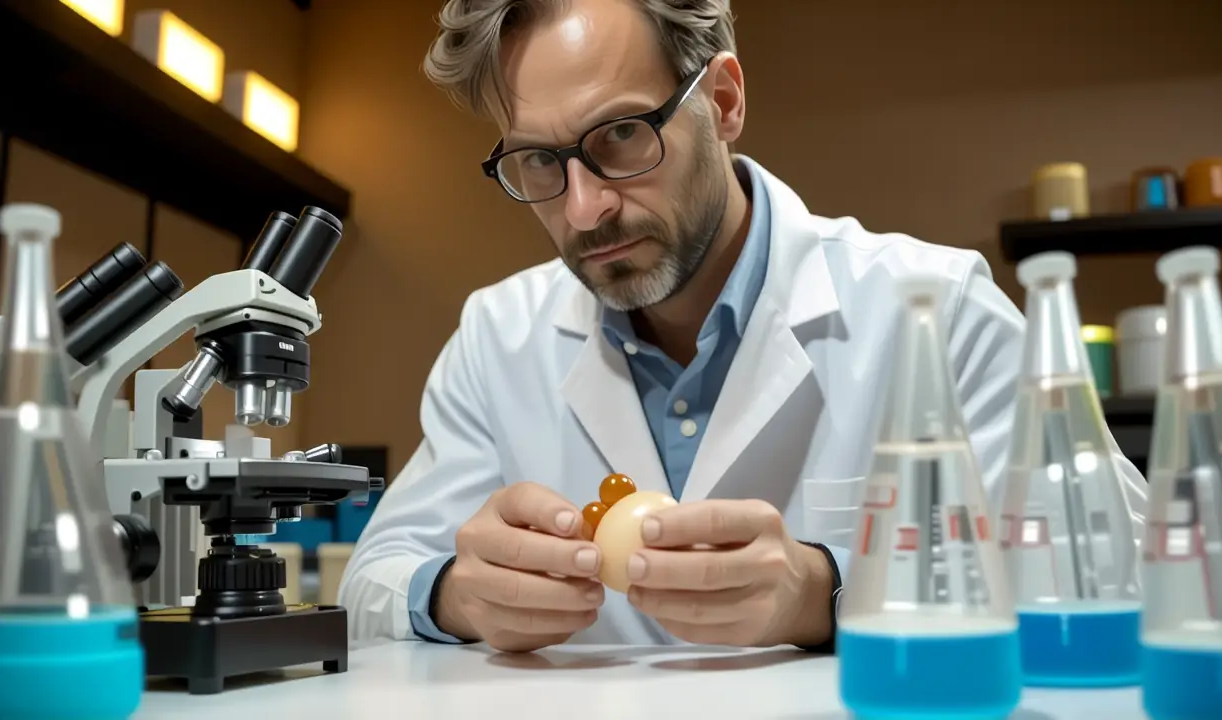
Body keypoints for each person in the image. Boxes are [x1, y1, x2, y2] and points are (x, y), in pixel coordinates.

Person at [338, 0, 1148, 653]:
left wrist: (827, 589)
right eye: (539, 163)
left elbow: (1122, 559)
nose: (584, 209)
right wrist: (453, 594)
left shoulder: (933, 304)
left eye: (622, 135)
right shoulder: (496, 336)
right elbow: (372, 576)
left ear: (722, 101)